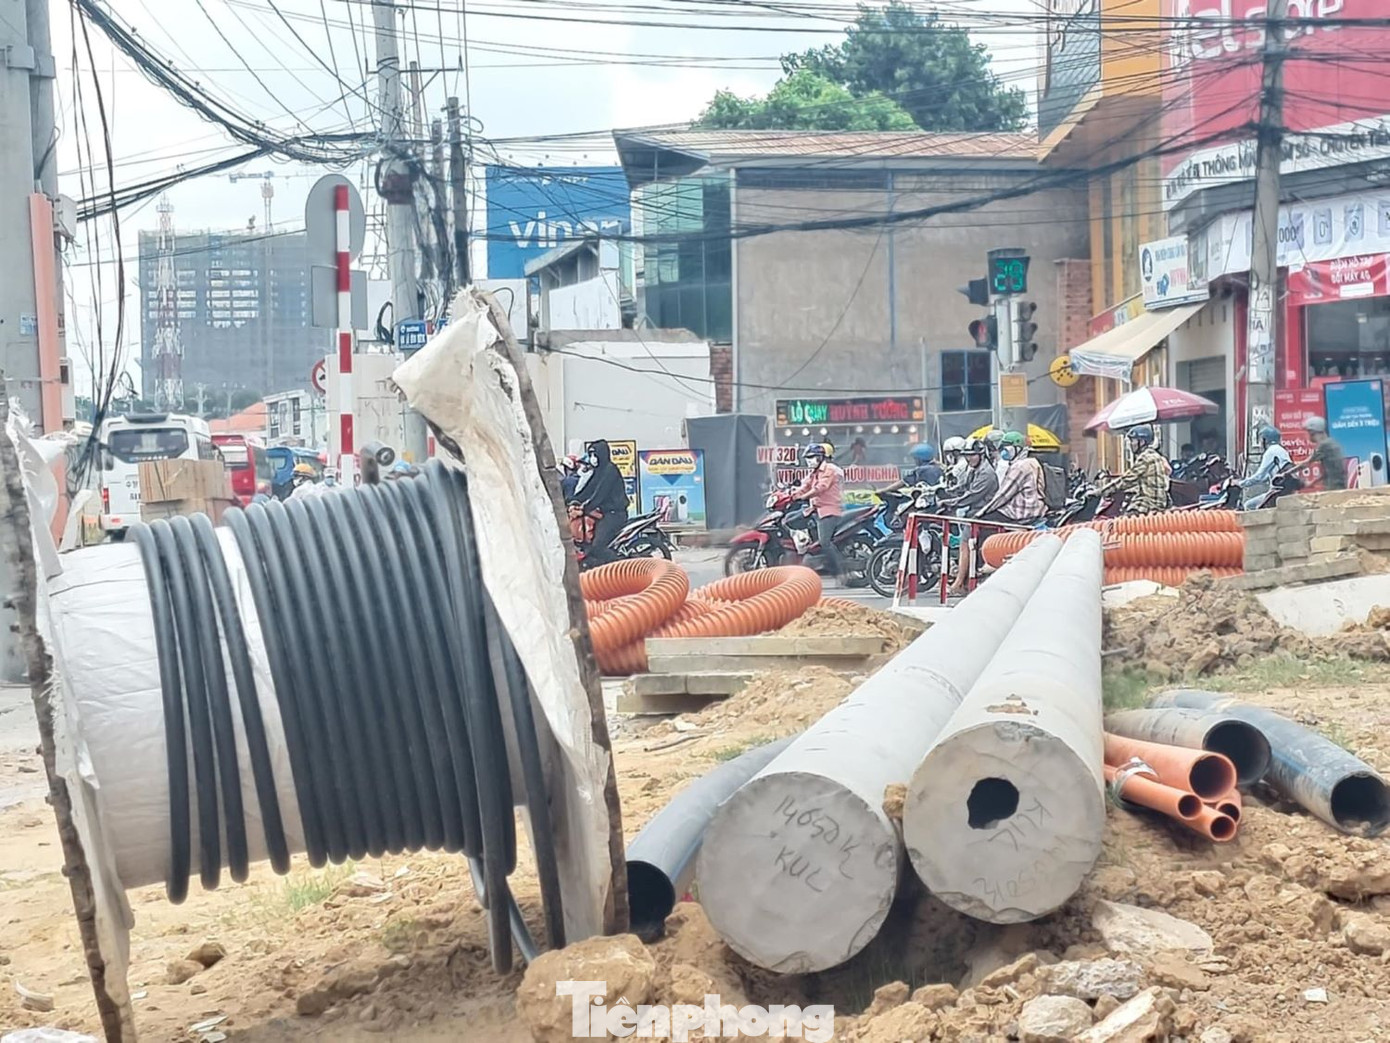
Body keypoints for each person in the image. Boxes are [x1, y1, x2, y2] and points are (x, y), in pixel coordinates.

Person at [793, 442, 846, 582]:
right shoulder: (814, 472)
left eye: (812, 457)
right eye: (807, 457)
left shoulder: (829, 470)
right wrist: (792, 493)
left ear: (821, 457)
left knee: (824, 542)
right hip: (815, 509)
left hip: (829, 509)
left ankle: (840, 572)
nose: (809, 460)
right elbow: (805, 485)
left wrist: (804, 496)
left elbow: (821, 487)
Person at [575, 439, 629, 566]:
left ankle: (621, 568)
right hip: (604, 514)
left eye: (595, 454)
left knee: (597, 547)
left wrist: (586, 507)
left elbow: (600, 494)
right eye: (591, 455)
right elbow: (588, 489)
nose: (593, 458)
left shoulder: (610, 470)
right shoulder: (599, 471)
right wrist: (572, 500)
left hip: (614, 514)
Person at [980, 431, 1047, 524]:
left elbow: (1003, 495)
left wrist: (982, 512)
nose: (1004, 452)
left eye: (1007, 448)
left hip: (1021, 512)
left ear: (1018, 449)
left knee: (984, 521)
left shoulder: (1019, 467)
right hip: (1036, 508)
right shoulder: (1032, 462)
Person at [1119, 425, 1171, 514]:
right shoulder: (1157, 456)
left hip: (1147, 505)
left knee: (1125, 524)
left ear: (1142, 442)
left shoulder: (1145, 458)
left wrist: (1100, 491)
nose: (1131, 444)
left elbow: (1126, 480)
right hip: (1162, 502)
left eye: (1133, 440)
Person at [1239, 426, 1293, 509]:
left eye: (1261, 440)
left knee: (1249, 505)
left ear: (1265, 440)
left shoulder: (1271, 451)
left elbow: (1259, 476)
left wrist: (1241, 483)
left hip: (1276, 491)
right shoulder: (1281, 450)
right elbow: (1265, 477)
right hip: (1286, 490)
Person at [1305, 415, 1347, 490]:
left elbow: (1305, 463)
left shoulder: (1324, 445)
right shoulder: (1332, 443)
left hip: (1332, 488)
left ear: (1312, 432)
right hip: (1340, 486)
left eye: (1309, 432)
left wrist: (1286, 472)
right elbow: (1327, 472)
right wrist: (1312, 483)